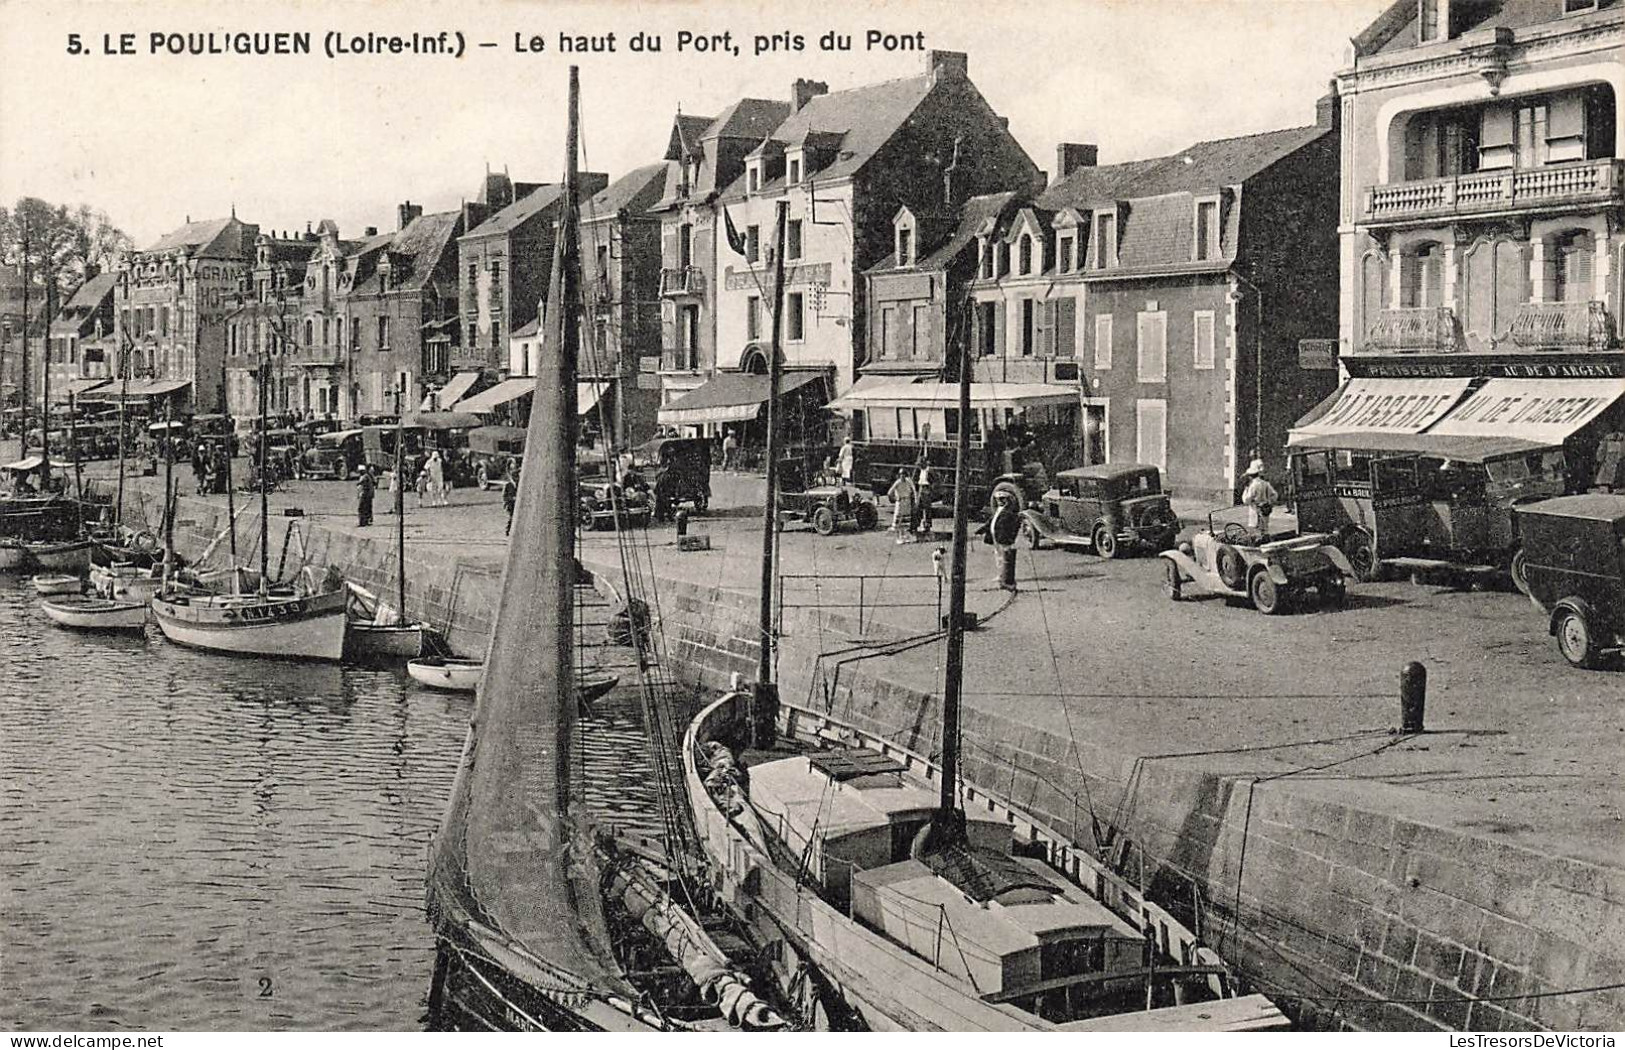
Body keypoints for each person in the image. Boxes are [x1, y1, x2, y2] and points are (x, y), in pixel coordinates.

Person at [986, 489, 1021, 590]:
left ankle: (1005, 576)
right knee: (998, 556)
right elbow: (992, 521)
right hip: (996, 536)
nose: (999, 501)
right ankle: (1000, 574)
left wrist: (1011, 537)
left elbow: (1015, 526)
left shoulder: (1010, 512)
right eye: (997, 499)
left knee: (1005, 557)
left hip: (1004, 538)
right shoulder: (998, 510)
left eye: (1002, 499)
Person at [1240, 458, 1278, 542]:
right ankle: (1266, 541)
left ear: (1250, 476)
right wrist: (1269, 502)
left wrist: (1245, 490)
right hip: (1265, 509)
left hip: (1255, 510)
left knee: (1255, 529)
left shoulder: (1253, 486)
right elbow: (1275, 495)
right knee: (1265, 528)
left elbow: (1246, 500)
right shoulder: (1265, 483)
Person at [887, 467, 917, 545]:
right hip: (900, 502)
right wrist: (895, 498)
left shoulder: (908, 481)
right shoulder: (897, 482)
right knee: (899, 520)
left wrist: (915, 499)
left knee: (906, 520)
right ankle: (899, 537)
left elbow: (914, 490)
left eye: (903, 474)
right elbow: (889, 492)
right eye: (901, 474)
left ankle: (905, 537)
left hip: (907, 501)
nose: (902, 476)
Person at [914, 455, 934, 536]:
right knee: (918, 508)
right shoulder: (921, 470)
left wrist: (930, 489)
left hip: (926, 489)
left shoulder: (929, 470)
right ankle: (917, 524)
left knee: (927, 509)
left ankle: (927, 525)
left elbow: (934, 481)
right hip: (921, 488)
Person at [502, 464, 519, 535]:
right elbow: (504, 497)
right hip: (510, 504)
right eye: (515, 477)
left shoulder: (519, 484)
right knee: (511, 517)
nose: (516, 478)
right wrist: (512, 498)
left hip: (516, 504)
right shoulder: (508, 485)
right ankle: (508, 530)